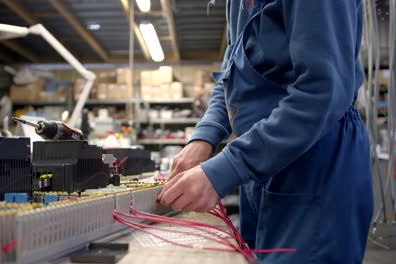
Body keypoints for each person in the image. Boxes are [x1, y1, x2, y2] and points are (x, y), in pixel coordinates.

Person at [157, 0, 373, 262]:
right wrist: (204, 137)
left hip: (317, 160)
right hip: (262, 161)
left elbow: (322, 93)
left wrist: (227, 168)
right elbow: (231, 74)